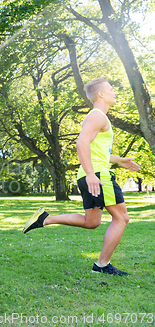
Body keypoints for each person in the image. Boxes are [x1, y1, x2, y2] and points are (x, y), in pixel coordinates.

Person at [22, 77, 140, 276]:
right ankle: (102, 265)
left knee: (91, 221)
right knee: (121, 218)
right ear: (101, 94)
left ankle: (45, 219)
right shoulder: (97, 116)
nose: (115, 92)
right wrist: (93, 174)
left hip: (90, 173)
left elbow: (96, 150)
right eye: (111, 89)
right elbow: (81, 143)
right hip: (98, 175)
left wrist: (119, 160)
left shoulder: (99, 117)